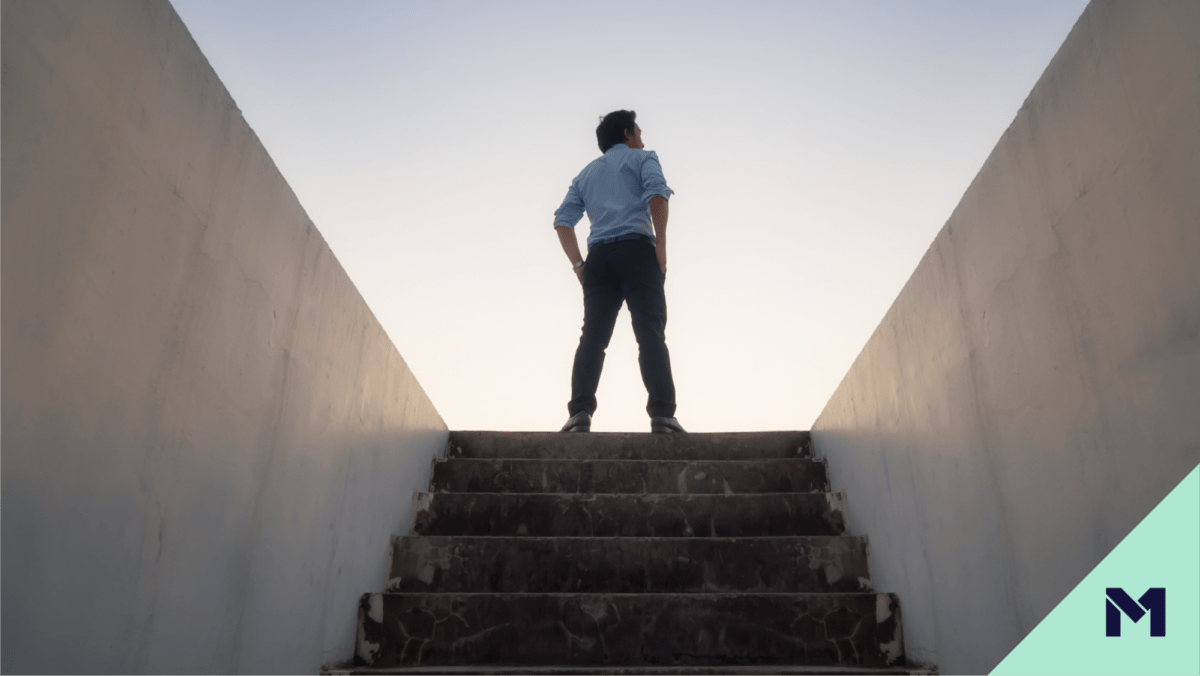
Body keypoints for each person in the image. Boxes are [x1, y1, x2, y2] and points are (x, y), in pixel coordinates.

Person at [552, 110, 685, 434]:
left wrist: (579, 265)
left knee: (593, 338)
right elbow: (656, 196)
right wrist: (661, 248)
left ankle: (579, 413)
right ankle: (662, 415)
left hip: (599, 259)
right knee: (650, 333)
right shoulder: (643, 158)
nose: (642, 138)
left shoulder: (586, 174)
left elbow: (562, 220)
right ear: (628, 133)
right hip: (637, 251)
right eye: (639, 131)